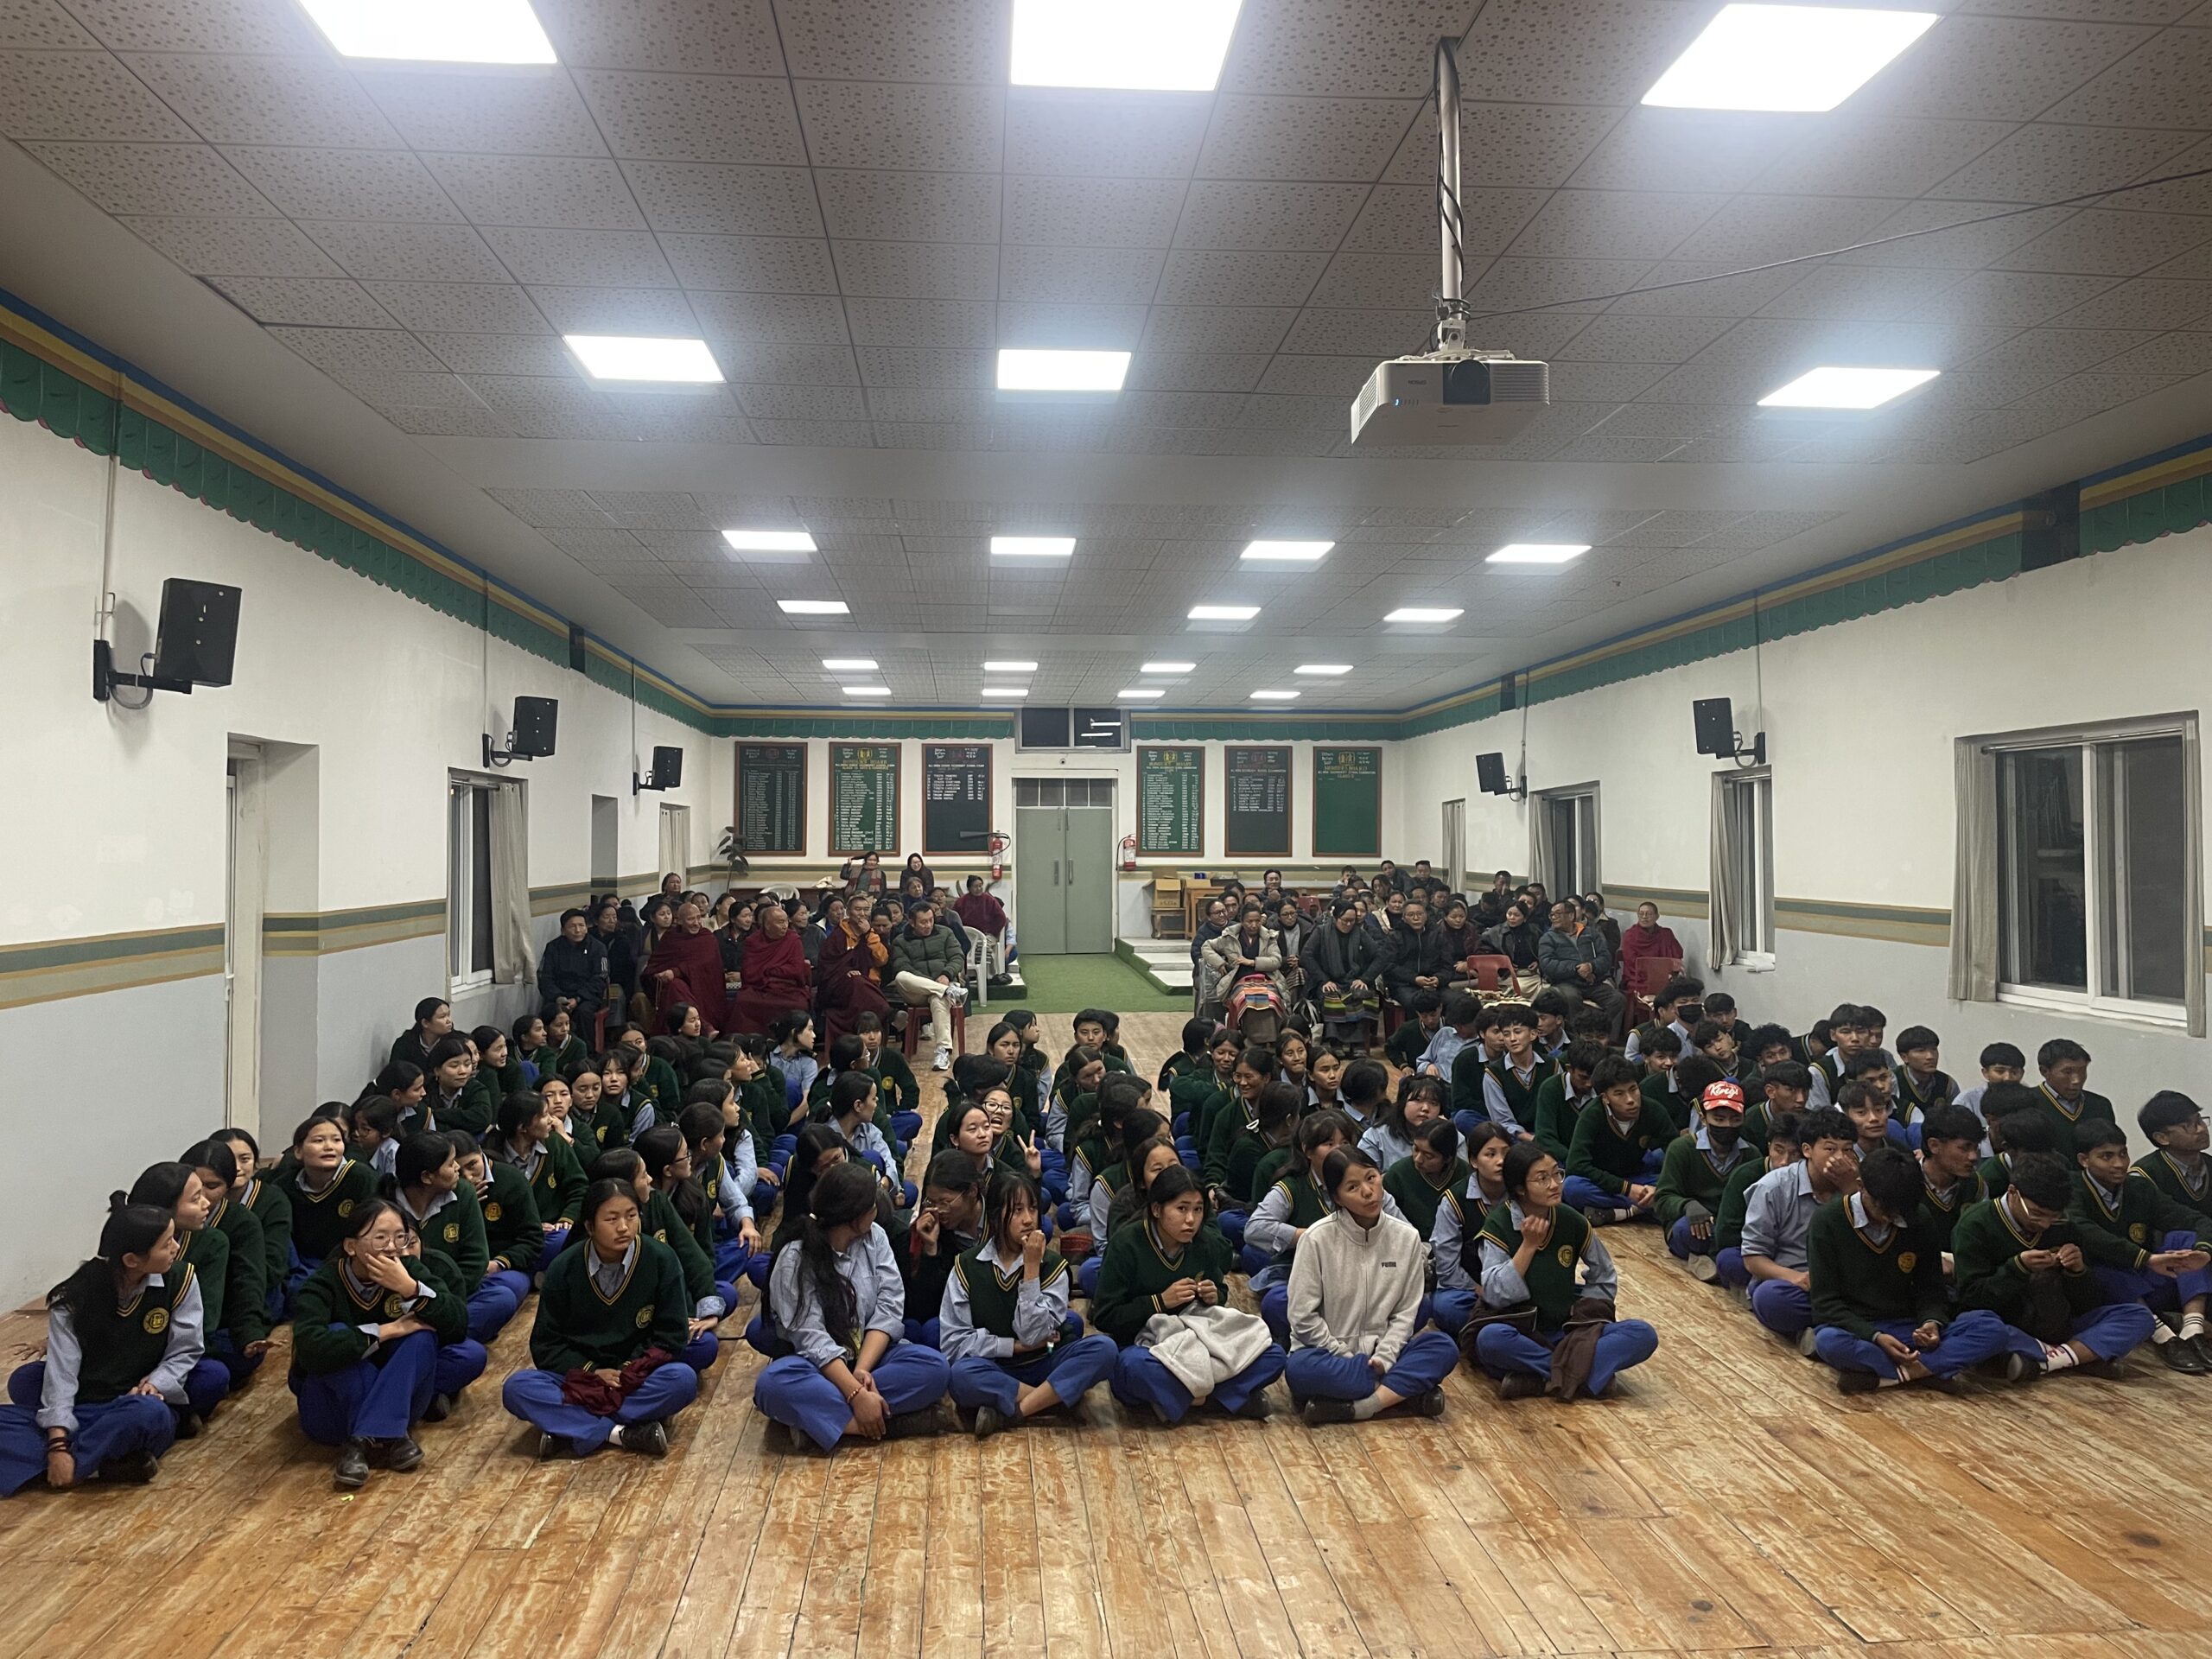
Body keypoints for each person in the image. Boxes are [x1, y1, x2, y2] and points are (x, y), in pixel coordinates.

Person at [0, 1204, 194, 1496]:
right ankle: (103, 1465)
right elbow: (62, 1374)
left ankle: (68, 1467)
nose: (176, 1248)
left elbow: (185, 1350)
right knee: (26, 1384)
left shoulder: (181, 1279)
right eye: (167, 1243)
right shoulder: (74, 1297)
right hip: (83, 1406)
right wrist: (57, 1443)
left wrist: (156, 1382)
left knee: (150, 1414)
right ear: (132, 1260)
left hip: (129, 1406)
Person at [754, 1164, 950, 1449]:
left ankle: (824, 1424)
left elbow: (888, 1308)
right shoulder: (795, 1257)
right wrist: (855, 1394)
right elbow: (810, 1337)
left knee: (935, 1368)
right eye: (872, 1206)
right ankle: (883, 1425)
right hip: (819, 1367)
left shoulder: (876, 1237)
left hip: (869, 1360)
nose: (877, 1210)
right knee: (771, 1385)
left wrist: (861, 1373)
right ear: (854, 1216)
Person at [501, 1179, 701, 1459]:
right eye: (612, 1219)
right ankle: (622, 1434)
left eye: (631, 1216)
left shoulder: (661, 1259)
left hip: (636, 1376)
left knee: (682, 1380)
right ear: (590, 1225)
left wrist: (627, 1371)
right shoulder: (563, 1268)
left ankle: (571, 1427)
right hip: (580, 1378)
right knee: (517, 1388)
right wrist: (594, 1373)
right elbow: (546, 1345)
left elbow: (672, 1336)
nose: (624, 1227)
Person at [288, 1198, 479, 1488]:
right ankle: (390, 1434)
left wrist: (410, 1289)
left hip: (397, 1403)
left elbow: (458, 1324)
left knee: (423, 1337)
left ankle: (361, 1442)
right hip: (332, 1412)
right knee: (336, 1336)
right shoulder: (323, 1283)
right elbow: (310, 1349)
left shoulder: (409, 1270)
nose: (392, 1247)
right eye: (380, 1238)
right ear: (351, 1246)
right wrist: (386, 1331)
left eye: (400, 1237)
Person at [1806, 1147, 2008, 1394]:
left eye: (1899, 1211)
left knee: (1991, 1327)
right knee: (1829, 1342)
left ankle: (1898, 1375)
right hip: (1857, 1328)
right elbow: (1825, 1303)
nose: (1890, 1218)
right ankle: (1932, 1369)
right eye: (1884, 1209)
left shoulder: (1917, 1217)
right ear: (1861, 1187)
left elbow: (1931, 1287)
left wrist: (1931, 1322)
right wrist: (1875, 1336)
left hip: (1908, 1325)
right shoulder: (1827, 1220)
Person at [1094, 1165, 1285, 1424]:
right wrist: (1159, 1301)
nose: (1191, 1220)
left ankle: (1188, 1398)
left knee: (1273, 1355)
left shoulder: (1203, 1242)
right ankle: (1223, 1397)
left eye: (1198, 1209)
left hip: (1200, 1341)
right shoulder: (1127, 1243)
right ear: (1157, 1209)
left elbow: (1220, 1290)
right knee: (1131, 1368)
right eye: (1182, 1209)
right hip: (1146, 1346)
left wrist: (1213, 1295)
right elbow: (1105, 1316)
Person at [1467, 1142, 1658, 1400]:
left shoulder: (1572, 1220)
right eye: (1542, 1179)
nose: (1555, 1184)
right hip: (1522, 1330)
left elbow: (1604, 1275)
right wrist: (1528, 1246)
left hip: (1568, 1331)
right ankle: (1583, 1376)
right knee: (1490, 1340)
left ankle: (1540, 1380)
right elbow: (1495, 1294)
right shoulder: (1498, 1224)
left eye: (1557, 1174)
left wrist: (1585, 1310)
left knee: (1642, 1334)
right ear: (1520, 1188)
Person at [1952, 1150, 2158, 1381]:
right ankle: (2080, 1354)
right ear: (2012, 1192)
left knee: (2139, 1317)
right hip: (2009, 1323)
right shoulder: (1975, 1224)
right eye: (2036, 1214)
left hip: (2062, 1322)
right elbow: (1971, 1298)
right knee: (1980, 1327)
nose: (2045, 1225)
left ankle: (2047, 1361)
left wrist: (2078, 1271)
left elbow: (2087, 1304)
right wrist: (2017, 1268)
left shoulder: (2064, 1225)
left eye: (2054, 1217)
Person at [1284, 1149, 1456, 1424]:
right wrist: (1344, 1355)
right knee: (1298, 1370)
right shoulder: (1316, 1239)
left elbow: (1406, 1313)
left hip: (1384, 1353)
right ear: (1337, 1197)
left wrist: (1385, 1357)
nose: (1368, 1191)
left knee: (1443, 1346)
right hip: (1329, 1354)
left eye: (1371, 1178)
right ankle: (1404, 1393)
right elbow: (1302, 1317)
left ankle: (1361, 1406)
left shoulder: (1407, 1238)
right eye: (1353, 1187)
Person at [940, 1171, 1117, 1437]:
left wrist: (1031, 1269)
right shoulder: (966, 1266)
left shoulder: (1053, 1266)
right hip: (996, 1366)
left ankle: (1015, 1412)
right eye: (1017, 1210)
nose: (1028, 1219)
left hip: (1047, 1360)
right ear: (995, 1216)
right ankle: (1050, 1399)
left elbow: (1034, 1334)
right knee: (960, 1375)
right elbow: (953, 1343)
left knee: (1104, 1349)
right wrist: (1014, 1347)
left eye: (1033, 1209)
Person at [2068, 1118, 2212, 1372]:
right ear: (2084, 1160)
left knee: (2186, 1239)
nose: (2119, 1163)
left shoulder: (2139, 1188)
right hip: (2104, 1289)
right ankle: (2163, 1336)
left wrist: (2203, 1252)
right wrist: (2146, 1258)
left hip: (2147, 1278)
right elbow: (2084, 1231)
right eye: (2107, 1156)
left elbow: (2195, 1219)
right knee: (2103, 1267)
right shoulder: (2071, 1188)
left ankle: (2193, 1328)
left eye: (2123, 1153)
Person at [1739, 1108, 1860, 1348]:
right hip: (1794, 1283)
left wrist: (1851, 1191)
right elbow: (1752, 1258)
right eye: (1830, 1149)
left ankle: (1825, 1331)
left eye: (1847, 1150)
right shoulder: (1773, 1187)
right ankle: (1839, 1328)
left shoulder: (1859, 1185)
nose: (1840, 1158)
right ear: (1807, 1150)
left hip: (1844, 1285)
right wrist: (1796, 1278)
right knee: (1770, 1299)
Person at [1656, 1079, 1757, 1280]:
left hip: (1730, 1227)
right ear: (1703, 1118)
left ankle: (1713, 1262)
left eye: (1735, 1119)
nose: (1727, 1125)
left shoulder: (1751, 1154)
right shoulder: (1682, 1148)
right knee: (1685, 1230)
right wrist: (1687, 1205)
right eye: (1719, 1119)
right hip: (1695, 1224)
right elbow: (1662, 1198)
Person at [1564, 1054, 1672, 1223]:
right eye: (1619, 1094)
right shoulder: (1592, 1115)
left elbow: (1675, 1149)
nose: (1630, 1100)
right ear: (1605, 1098)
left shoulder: (1653, 1109)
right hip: (1604, 1182)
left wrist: (1657, 1188)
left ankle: (1621, 1212)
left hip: (1640, 1176)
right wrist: (1627, 1189)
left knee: (1681, 1182)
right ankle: (1645, 1207)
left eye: (1633, 1089)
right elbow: (1576, 1165)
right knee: (1572, 1187)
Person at [888, 901, 969, 1073]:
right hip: (916, 990)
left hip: (943, 983)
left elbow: (957, 957)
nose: (928, 925)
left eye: (931, 920)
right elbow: (902, 966)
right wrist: (934, 984)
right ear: (912, 922)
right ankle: (949, 992)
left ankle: (942, 1051)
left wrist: (946, 974)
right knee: (901, 977)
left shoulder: (946, 933)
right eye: (923, 922)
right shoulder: (900, 941)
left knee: (938, 999)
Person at [1536, 899, 1624, 1039]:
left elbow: (1606, 958)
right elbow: (1548, 965)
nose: (1553, 917)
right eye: (1551, 915)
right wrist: (1577, 969)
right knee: (1571, 998)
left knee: (1617, 999)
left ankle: (1605, 1038)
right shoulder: (1548, 938)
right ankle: (1576, 1039)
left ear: (1571, 915)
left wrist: (1591, 966)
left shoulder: (1590, 933)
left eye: (1558, 914)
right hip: (1565, 982)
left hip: (1592, 981)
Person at [643, 900, 730, 1035]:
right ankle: (703, 1026)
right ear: (679, 921)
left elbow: (705, 965)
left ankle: (698, 1027)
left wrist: (676, 972)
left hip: (704, 989)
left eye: (698, 918)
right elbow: (654, 966)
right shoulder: (671, 938)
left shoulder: (707, 938)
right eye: (690, 919)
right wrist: (660, 974)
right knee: (676, 986)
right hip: (679, 988)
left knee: (676, 987)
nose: (696, 923)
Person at [729, 901, 812, 1034]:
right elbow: (748, 972)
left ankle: (792, 1039)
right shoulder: (753, 941)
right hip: (760, 989)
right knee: (742, 1001)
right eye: (780, 922)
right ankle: (749, 1040)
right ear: (767, 925)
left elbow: (797, 970)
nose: (785, 926)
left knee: (799, 1005)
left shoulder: (793, 939)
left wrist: (769, 971)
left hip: (788, 990)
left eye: (786, 921)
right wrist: (772, 972)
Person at [1301, 899, 1377, 1044]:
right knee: (1331, 996)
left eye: (1352, 921)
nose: (1349, 924)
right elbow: (1306, 956)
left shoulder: (1359, 933)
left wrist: (1365, 978)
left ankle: (1358, 1043)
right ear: (1335, 918)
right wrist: (1323, 980)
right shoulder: (1321, 932)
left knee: (1363, 996)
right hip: (1328, 979)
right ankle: (1335, 1041)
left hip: (1354, 979)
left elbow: (1378, 956)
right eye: (1345, 920)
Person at [1204, 904, 1287, 1011]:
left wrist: (1252, 962)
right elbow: (1206, 946)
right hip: (1240, 981)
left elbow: (1276, 961)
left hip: (1266, 980)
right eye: (1250, 921)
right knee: (1244, 1002)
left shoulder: (1269, 937)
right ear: (1242, 921)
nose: (1254, 925)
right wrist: (1219, 963)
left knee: (1272, 1002)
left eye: (1257, 921)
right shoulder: (1230, 937)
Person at [538, 907, 609, 1025]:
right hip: (558, 996)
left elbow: (601, 977)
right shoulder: (553, 947)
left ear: (587, 928)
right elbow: (545, 976)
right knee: (550, 1013)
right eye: (572, 926)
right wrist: (558, 997)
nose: (578, 930)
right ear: (563, 930)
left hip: (587, 997)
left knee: (583, 1013)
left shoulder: (598, 948)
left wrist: (578, 998)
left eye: (581, 926)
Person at [1380, 895, 1449, 1015]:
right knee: (1418, 1003)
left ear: (1426, 916)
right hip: (1405, 985)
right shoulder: (1395, 937)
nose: (1416, 918)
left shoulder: (1437, 935)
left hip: (1434, 984)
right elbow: (1388, 966)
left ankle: (1446, 1028)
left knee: (1456, 1001)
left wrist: (1439, 979)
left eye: (1419, 914)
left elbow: (1447, 964)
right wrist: (1414, 979)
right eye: (1411, 915)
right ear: (1404, 918)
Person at [1616, 901, 1683, 988]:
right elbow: (1632, 963)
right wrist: (1656, 974)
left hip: (1664, 977)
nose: (1644, 917)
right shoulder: (1631, 935)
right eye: (1641, 914)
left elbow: (1676, 957)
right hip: (1638, 979)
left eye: (1649, 914)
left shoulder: (1666, 934)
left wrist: (1671, 971)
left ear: (1657, 916)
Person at [387, 997, 453, 1071]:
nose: (449, 1021)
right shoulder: (404, 1044)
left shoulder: (456, 1041)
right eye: (442, 1017)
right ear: (425, 1023)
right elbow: (395, 1072)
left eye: (448, 1015)